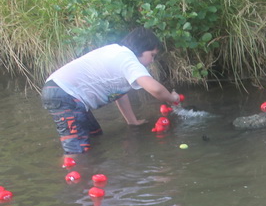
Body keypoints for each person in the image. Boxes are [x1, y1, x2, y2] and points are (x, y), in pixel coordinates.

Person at [41, 27, 180, 154]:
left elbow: (119, 93)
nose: (152, 60)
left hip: (64, 92)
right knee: (76, 151)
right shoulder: (129, 59)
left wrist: (132, 121)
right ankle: (68, 171)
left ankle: (86, 167)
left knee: (95, 136)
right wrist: (172, 98)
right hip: (65, 94)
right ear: (140, 48)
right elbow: (155, 89)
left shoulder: (117, 52)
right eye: (152, 55)